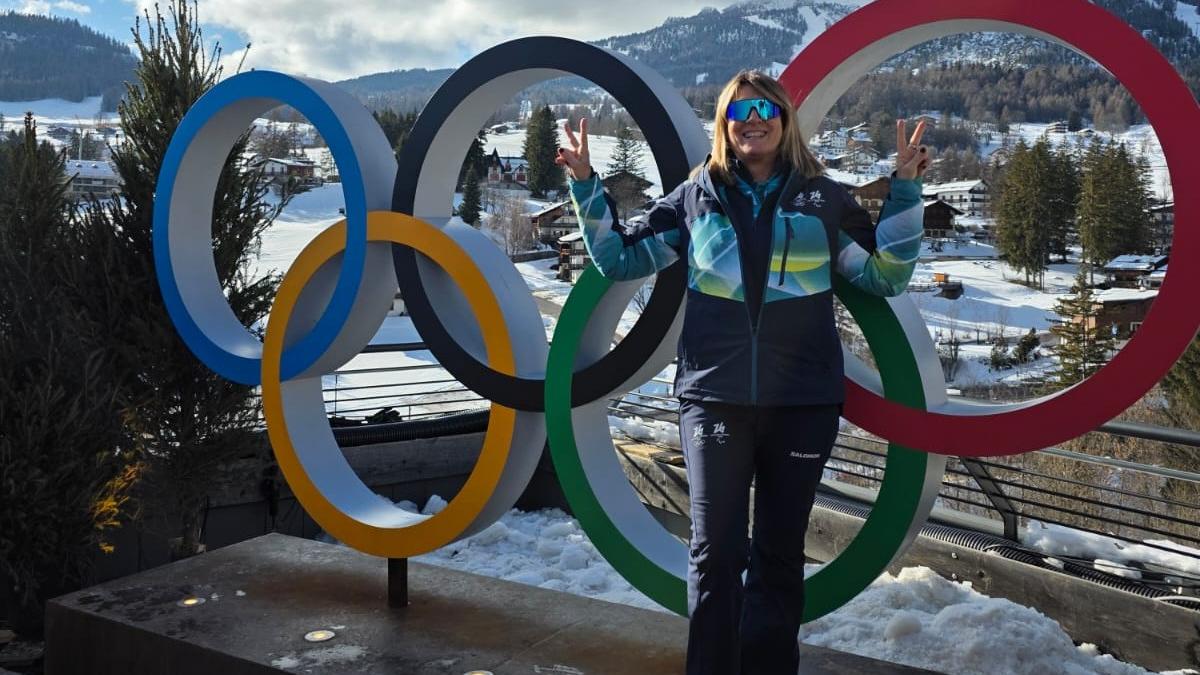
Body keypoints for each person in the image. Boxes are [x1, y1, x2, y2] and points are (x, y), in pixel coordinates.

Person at [556, 69, 930, 675]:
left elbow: (886, 274)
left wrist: (906, 189)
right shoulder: (694, 197)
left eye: (766, 109)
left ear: (783, 121)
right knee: (714, 555)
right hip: (715, 398)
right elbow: (619, 258)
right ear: (724, 126)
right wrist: (583, 184)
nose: (753, 120)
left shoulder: (824, 199)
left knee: (779, 558)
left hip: (802, 406)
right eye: (739, 111)